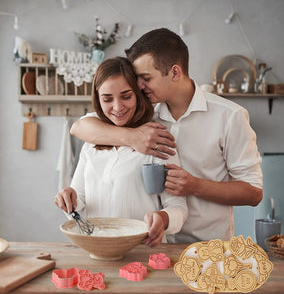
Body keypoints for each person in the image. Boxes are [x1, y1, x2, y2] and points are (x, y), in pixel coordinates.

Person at [70, 28, 263, 243]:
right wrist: (130, 136)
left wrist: (194, 186)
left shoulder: (229, 116)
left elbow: (253, 192)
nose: (139, 86)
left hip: (208, 246)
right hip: (155, 245)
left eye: (145, 78)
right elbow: (80, 127)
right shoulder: (143, 111)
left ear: (174, 73)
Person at [55, 57, 188, 247]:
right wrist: (69, 197)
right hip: (99, 249)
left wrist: (163, 218)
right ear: (97, 99)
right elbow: (80, 200)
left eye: (126, 96)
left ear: (138, 94)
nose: (117, 107)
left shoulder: (157, 141)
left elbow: (178, 208)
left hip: (144, 252)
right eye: (107, 99)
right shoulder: (91, 145)